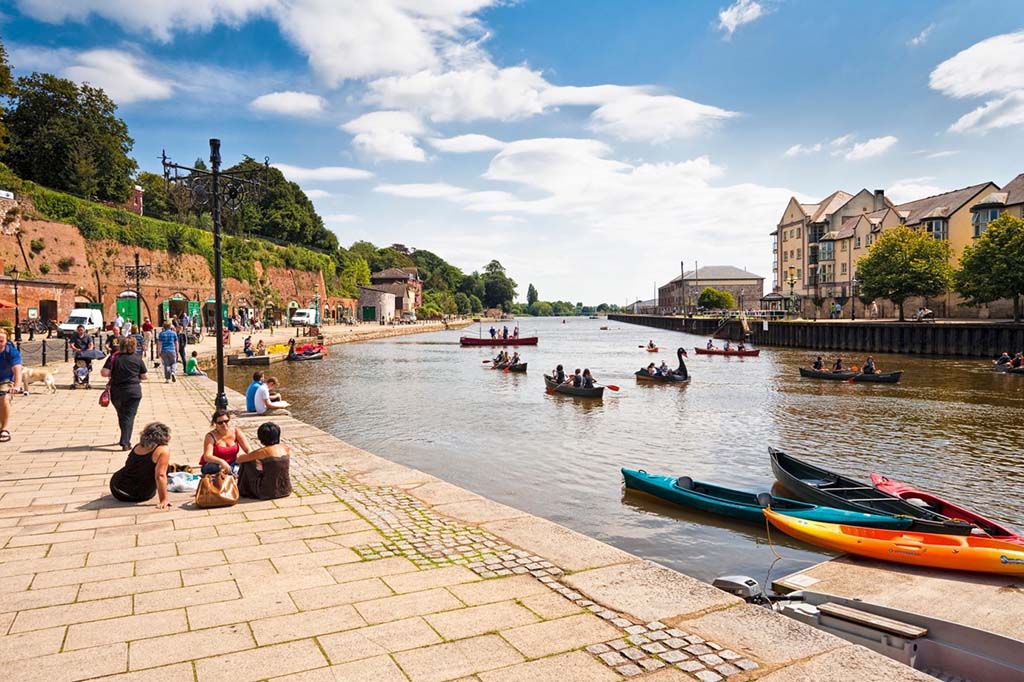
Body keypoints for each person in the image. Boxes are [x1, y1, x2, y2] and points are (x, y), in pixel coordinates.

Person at [108, 422, 172, 509]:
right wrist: (163, 499)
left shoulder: (138, 446)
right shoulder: (163, 450)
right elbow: (160, 475)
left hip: (116, 488)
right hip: (138, 495)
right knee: (165, 468)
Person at [101, 336, 147, 450]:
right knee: (129, 416)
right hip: (133, 391)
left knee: (122, 415)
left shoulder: (114, 357)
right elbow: (144, 376)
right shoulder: (137, 358)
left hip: (117, 391)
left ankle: (124, 437)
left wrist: (115, 372)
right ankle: (125, 442)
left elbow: (104, 373)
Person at [236, 422, 292, 500]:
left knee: (247, 463)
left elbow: (239, 459)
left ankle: (243, 490)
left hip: (266, 492)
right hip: (285, 489)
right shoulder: (286, 449)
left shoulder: (262, 452)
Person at [199, 409, 253, 475]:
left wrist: (253, 458)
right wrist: (222, 462)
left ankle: (233, 471)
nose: (224, 424)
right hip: (214, 464)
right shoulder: (210, 436)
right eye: (220, 423)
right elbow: (207, 456)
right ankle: (234, 471)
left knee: (248, 464)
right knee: (220, 468)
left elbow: (248, 450)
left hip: (232, 463)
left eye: (226, 421)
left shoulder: (236, 432)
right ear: (215, 424)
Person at [0, 330, 23, 443]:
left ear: (6, 340)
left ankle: (4, 429)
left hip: (6, 380)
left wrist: (17, 385)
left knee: (4, 398)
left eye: (1, 341)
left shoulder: (11, 352)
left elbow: (17, 370)